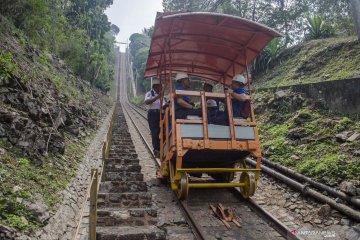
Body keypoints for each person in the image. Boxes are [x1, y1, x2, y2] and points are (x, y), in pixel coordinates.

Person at [144, 78, 162, 157]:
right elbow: (147, 102)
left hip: (161, 114)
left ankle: (162, 147)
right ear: (155, 86)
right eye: (160, 86)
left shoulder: (161, 94)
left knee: (162, 131)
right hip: (153, 114)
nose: (161, 87)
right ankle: (156, 149)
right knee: (155, 132)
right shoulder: (149, 93)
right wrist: (157, 97)